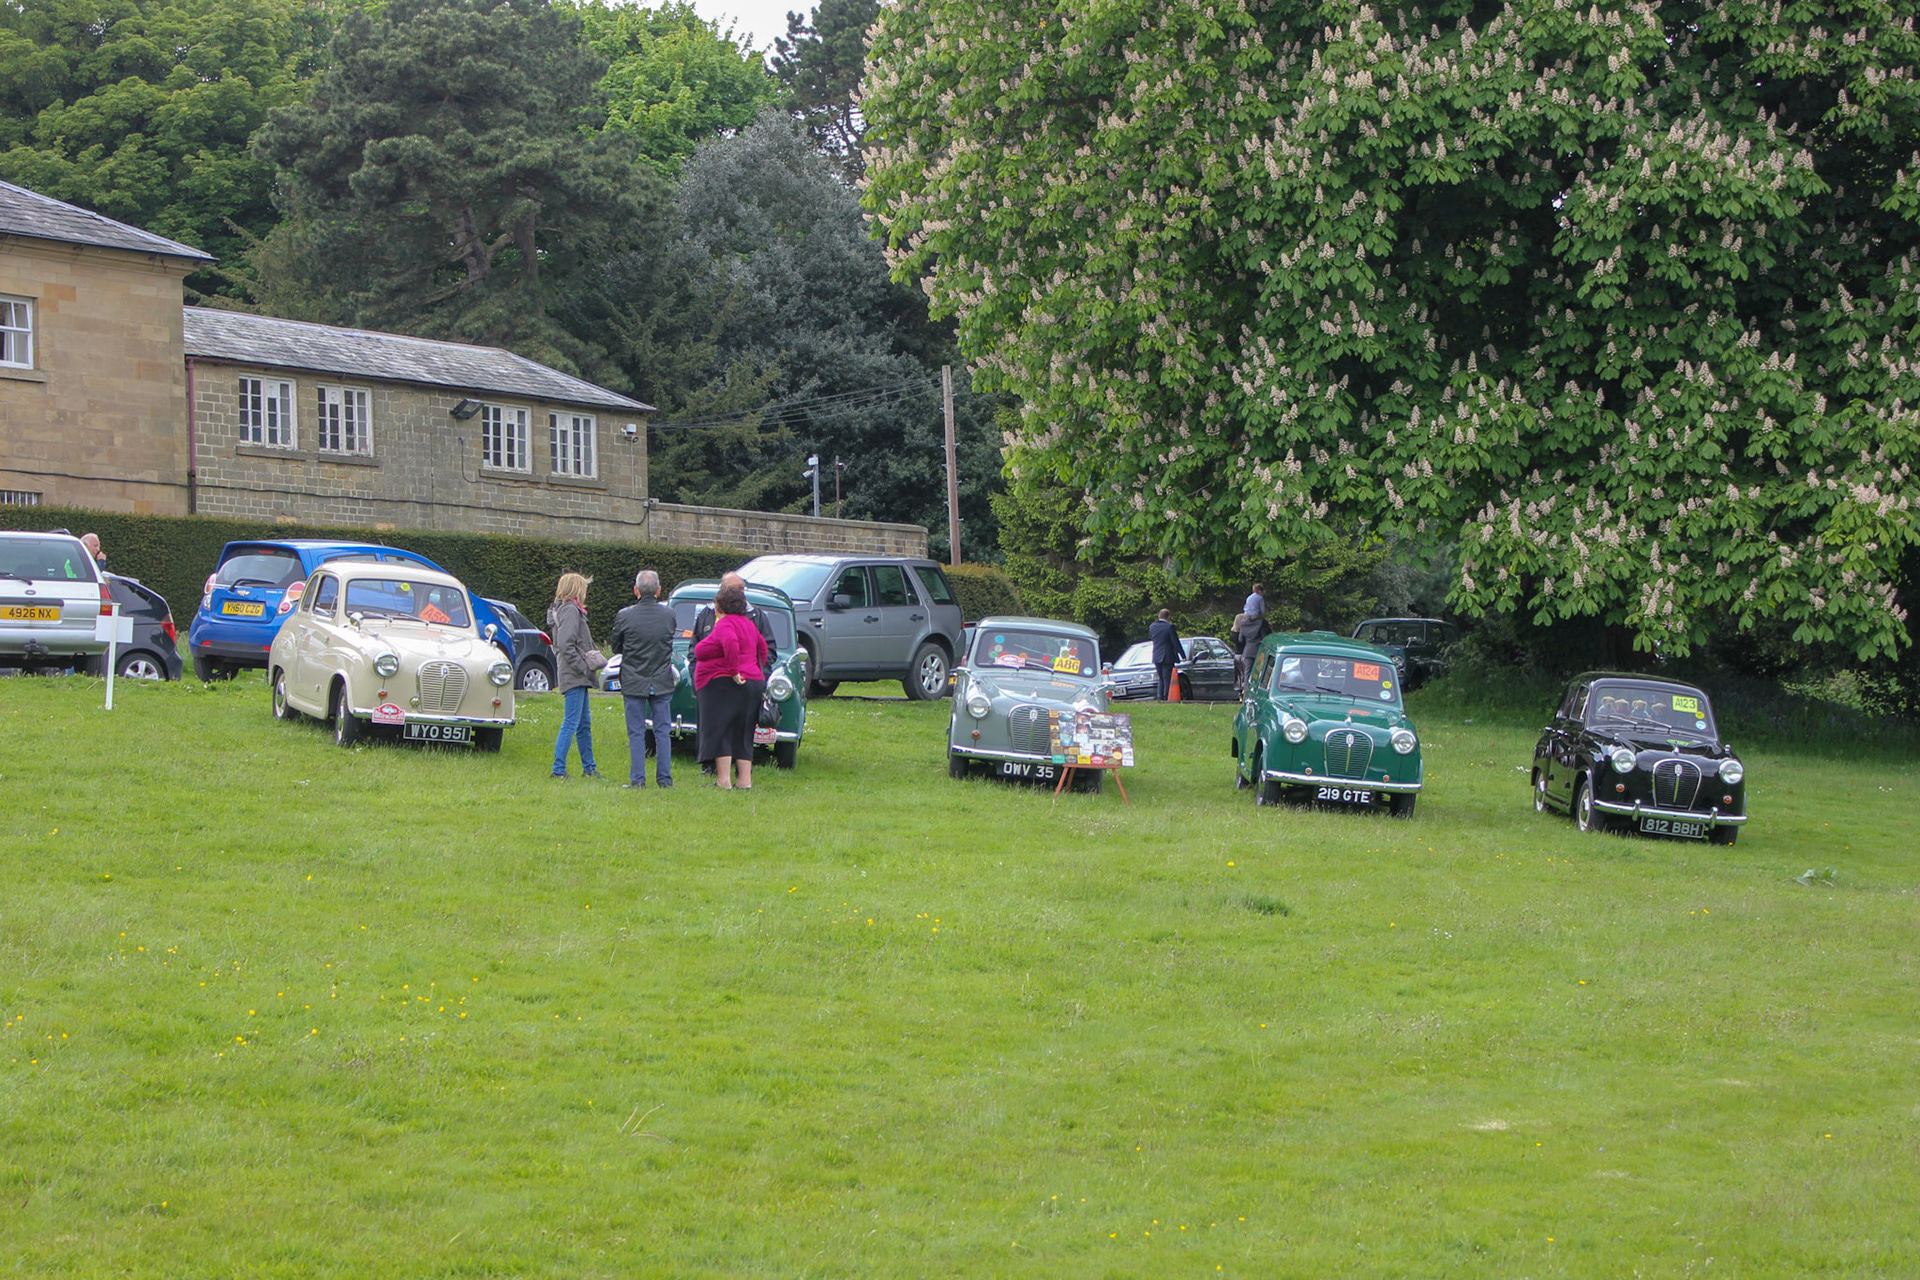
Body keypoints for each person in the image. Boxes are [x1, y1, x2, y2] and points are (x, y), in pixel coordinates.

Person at [691, 580, 768, 790]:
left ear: (721, 605)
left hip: (724, 684)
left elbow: (731, 643)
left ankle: (723, 780)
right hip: (753, 682)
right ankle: (745, 781)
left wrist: (734, 671)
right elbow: (763, 647)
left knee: (721, 729)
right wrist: (756, 670)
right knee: (744, 730)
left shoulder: (725, 624)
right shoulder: (749, 624)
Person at [610, 569, 676, 789]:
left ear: (636, 590)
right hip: (661, 679)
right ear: (658, 591)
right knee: (663, 731)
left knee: (636, 732)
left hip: (634, 679)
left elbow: (616, 646)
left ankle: (638, 780)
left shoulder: (625, 616)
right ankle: (665, 779)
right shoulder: (669, 615)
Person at [547, 572, 606, 779]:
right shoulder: (571, 610)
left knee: (583, 724)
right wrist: (583, 667)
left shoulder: (564, 609)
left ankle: (589, 768)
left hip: (574, 673)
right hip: (574, 673)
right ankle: (559, 769)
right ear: (576, 590)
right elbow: (565, 645)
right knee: (572, 722)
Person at [692, 571, 777, 657]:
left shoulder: (756, 616)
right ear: (722, 590)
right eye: (733, 588)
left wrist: (756, 668)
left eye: (741, 587)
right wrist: (697, 668)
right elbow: (694, 648)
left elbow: (768, 649)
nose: (739, 591)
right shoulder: (707, 613)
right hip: (711, 669)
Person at [1148, 608, 1186, 700]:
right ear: (1168, 617)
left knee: (1160, 679)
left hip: (1156, 656)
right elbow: (1175, 642)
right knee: (1167, 679)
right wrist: (1183, 655)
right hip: (1167, 656)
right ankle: (1166, 697)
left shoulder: (1152, 626)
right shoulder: (1169, 627)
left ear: (1159, 616)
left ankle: (1159, 697)